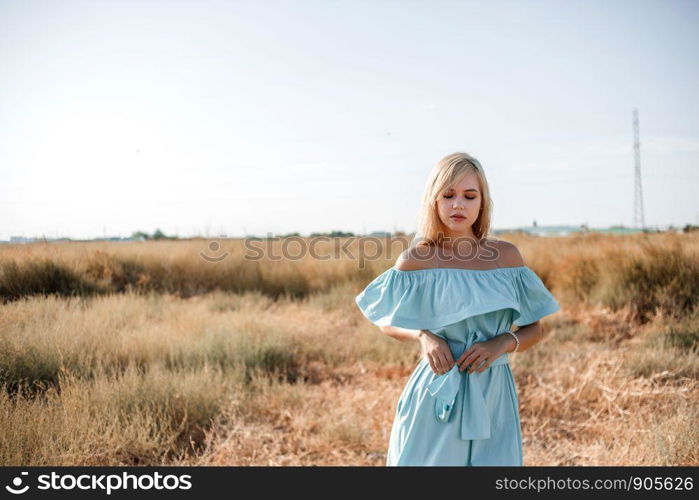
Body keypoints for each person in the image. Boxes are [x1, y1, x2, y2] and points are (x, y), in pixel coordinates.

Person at [355, 152, 560, 466]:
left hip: (493, 394)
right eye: (448, 195)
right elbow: (387, 321)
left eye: (469, 195)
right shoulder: (417, 259)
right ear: (434, 201)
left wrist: (503, 343)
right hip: (437, 391)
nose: (458, 205)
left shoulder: (506, 257)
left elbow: (536, 328)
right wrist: (423, 336)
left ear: (482, 202)